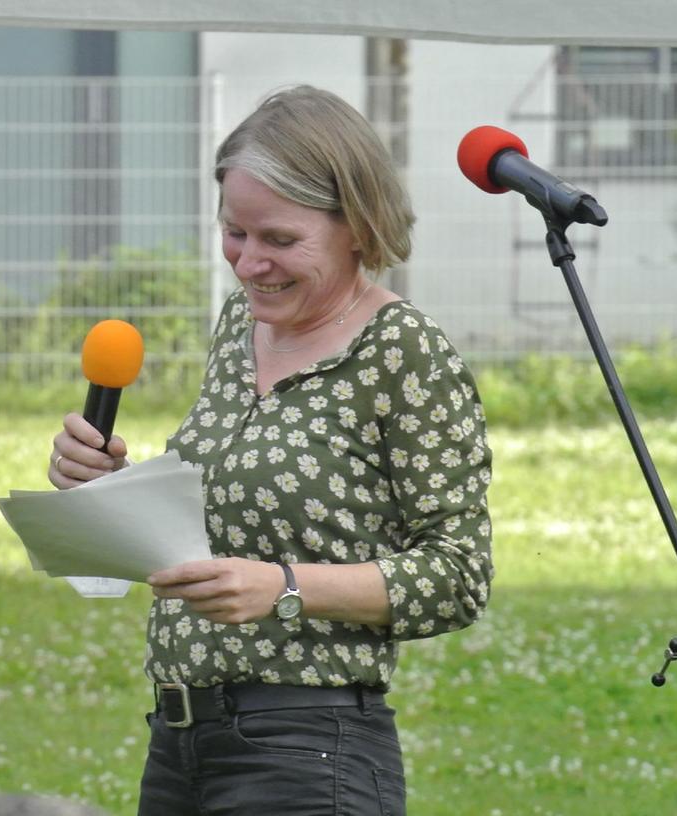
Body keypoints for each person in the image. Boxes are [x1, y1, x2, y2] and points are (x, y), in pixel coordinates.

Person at [48, 86, 492, 815]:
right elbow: (226, 519)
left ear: (356, 224)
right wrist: (103, 487)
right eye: (234, 234)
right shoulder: (239, 325)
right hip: (180, 737)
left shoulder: (405, 352)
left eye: (279, 240)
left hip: (309, 750)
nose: (249, 264)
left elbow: (457, 573)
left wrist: (284, 587)